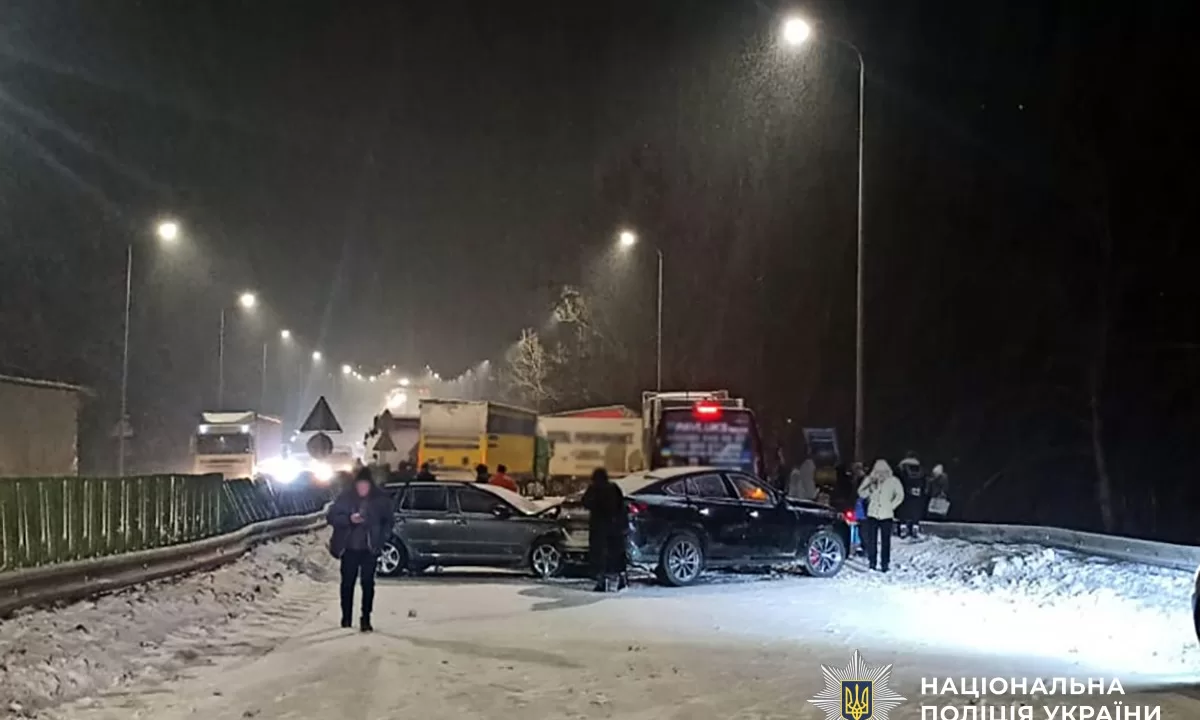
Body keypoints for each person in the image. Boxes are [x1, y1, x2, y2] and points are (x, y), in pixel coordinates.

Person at [326, 467, 394, 632]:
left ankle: (366, 618)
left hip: (369, 548)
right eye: (359, 485)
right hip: (349, 548)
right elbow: (332, 517)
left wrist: (381, 538)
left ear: (370, 485)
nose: (362, 489)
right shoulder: (345, 498)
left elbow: (389, 522)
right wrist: (349, 519)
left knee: (368, 584)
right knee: (347, 584)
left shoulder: (380, 500)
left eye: (365, 486)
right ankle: (346, 618)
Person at [581, 467, 627, 591]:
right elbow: (621, 506)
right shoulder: (614, 488)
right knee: (616, 554)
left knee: (599, 555)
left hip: (599, 527)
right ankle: (622, 580)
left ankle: (602, 582)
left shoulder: (594, 489)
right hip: (615, 527)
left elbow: (585, 502)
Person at [857, 459, 905, 572]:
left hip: (886, 515)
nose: (880, 474)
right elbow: (861, 493)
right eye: (878, 471)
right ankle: (872, 562)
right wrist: (869, 488)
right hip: (872, 513)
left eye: (883, 471)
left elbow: (900, 495)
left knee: (885, 541)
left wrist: (891, 506)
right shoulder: (870, 480)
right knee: (871, 540)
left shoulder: (893, 481)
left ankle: (885, 564)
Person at [896, 451, 926, 539]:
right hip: (917, 492)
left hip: (905, 491)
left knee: (903, 510)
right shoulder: (920, 468)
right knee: (916, 510)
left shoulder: (902, 467)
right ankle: (915, 527)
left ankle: (903, 528)